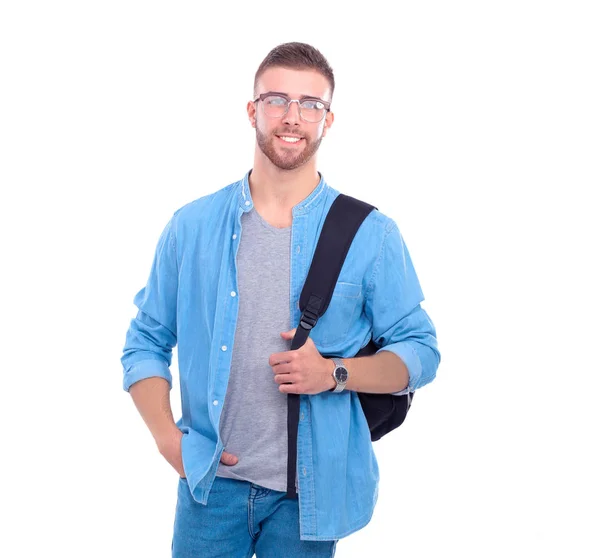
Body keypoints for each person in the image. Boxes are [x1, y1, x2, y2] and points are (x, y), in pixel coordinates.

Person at [121, 42, 440, 557]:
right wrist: (167, 439)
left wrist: (334, 373)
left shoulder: (370, 235)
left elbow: (421, 352)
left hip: (308, 498)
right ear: (253, 110)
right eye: (277, 100)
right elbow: (146, 340)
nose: (293, 117)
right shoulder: (192, 226)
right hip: (209, 487)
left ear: (328, 119)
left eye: (310, 104)